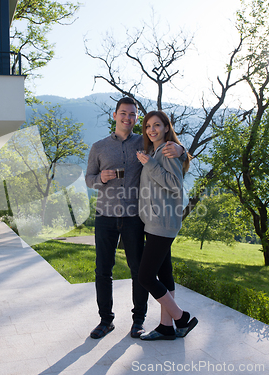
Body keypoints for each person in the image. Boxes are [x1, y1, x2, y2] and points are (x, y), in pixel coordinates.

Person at [85, 98, 184, 339]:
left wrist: (182, 150)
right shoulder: (99, 147)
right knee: (103, 271)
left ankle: (138, 321)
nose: (127, 118)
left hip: (135, 217)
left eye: (132, 114)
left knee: (138, 270)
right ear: (115, 115)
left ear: (136, 118)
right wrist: (101, 179)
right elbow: (89, 178)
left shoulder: (145, 142)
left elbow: (170, 148)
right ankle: (105, 320)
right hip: (105, 216)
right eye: (123, 113)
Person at [136, 110, 198, 340]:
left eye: (157, 125)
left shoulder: (167, 150)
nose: (152, 130)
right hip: (156, 220)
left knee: (145, 277)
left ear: (166, 127)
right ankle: (165, 326)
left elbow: (174, 184)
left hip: (162, 221)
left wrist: (151, 164)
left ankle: (181, 318)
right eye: (148, 126)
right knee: (165, 274)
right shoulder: (157, 150)